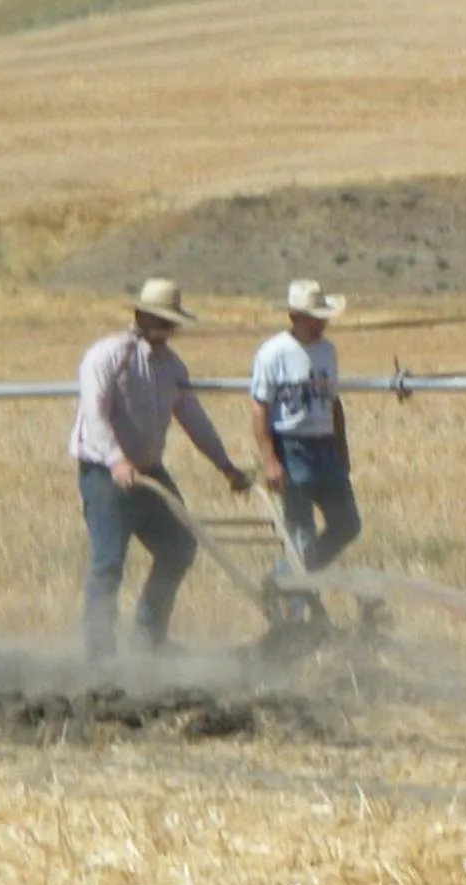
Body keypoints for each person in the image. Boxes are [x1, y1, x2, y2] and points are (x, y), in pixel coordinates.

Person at [69, 277, 251, 663]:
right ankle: (98, 655)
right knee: (108, 562)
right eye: (162, 322)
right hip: (105, 475)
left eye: (172, 324)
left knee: (179, 546)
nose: (168, 331)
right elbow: (94, 415)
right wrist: (117, 460)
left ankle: (149, 638)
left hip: (150, 473)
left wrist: (225, 466)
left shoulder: (170, 366)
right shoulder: (107, 357)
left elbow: (193, 418)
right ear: (140, 316)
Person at [249, 280, 369, 626]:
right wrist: (270, 460)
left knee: (347, 524)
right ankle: (295, 613)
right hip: (292, 446)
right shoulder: (272, 353)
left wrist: (342, 448)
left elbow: (333, 402)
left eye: (323, 318)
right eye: (312, 318)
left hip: (325, 445)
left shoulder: (328, 351)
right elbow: (259, 409)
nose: (320, 324)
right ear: (294, 316)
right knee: (299, 534)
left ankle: (283, 579)